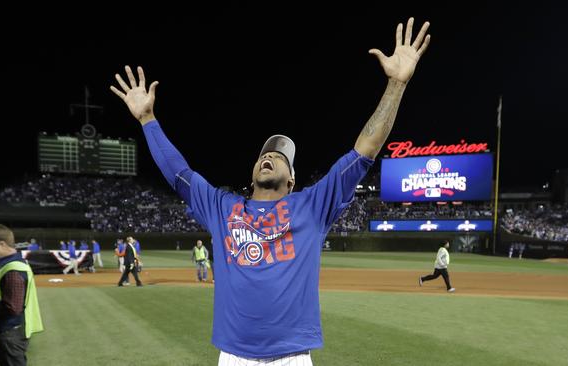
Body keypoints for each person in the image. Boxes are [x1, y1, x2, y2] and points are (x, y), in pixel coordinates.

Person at [111, 17, 430, 364]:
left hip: (291, 358)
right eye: (266, 154)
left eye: (281, 157)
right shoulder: (221, 207)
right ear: (253, 172)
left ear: (291, 180)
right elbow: (178, 173)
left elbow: (364, 151)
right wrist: (147, 119)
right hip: (234, 357)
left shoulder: (312, 205)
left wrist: (396, 85)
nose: (271, 157)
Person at [0, 224, 44, 366]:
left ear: (2, 244)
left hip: (10, 331)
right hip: (13, 330)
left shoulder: (13, 269)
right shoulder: (11, 264)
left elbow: (13, 308)